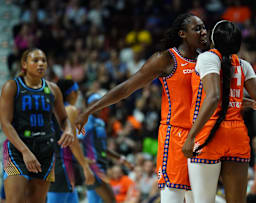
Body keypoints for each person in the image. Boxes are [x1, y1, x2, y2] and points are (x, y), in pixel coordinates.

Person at [76, 13, 208, 203]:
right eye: (197, 28)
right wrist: (88, 111)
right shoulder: (166, 59)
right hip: (176, 136)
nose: (204, 32)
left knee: (199, 198)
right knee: (173, 196)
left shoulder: (208, 59)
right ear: (182, 34)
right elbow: (126, 88)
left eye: (204, 27)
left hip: (203, 135)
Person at [181, 20, 256, 203]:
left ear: (214, 40)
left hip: (208, 134)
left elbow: (214, 96)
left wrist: (191, 136)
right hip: (236, 136)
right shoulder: (244, 65)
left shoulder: (207, 58)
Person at [0, 48, 75, 202]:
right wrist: (25, 152)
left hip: (45, 150)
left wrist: (68, 130)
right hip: (17, 150)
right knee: (15, 201)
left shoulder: (53, 89)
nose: (41, 64)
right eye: (35, 60)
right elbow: (5, 123)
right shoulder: (12, 87)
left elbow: (64, 119)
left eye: (43, 60)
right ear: (24, 64)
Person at [47, 79, 95, 203]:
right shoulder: (70, 110)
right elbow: (73, 143)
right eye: (77, 92)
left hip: (55, 164)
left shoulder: (54, 109)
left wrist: (83, 159)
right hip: (62, 165)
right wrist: (85, 166)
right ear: (73, 93)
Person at [78, 93, 116, 203]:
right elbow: (78, 140)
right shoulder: (86, 121)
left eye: (100, 103)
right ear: (89, 105)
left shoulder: (100, 122)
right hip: (93, 166)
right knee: (104, 199)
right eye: (94, 103)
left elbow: (103, 147)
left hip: (103, 164)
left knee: (102, 200)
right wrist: (84, 162)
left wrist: (119, 158)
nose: (98, 105)